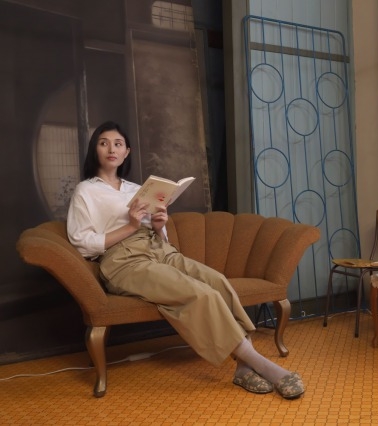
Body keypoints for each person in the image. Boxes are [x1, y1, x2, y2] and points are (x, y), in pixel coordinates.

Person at [67, 121, 305, 399]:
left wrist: (159, 224)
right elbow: (82, 242)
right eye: (103, 143)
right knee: (200, 294)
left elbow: (157, 233)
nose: (111, 149)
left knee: (217, 282)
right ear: (95, 149)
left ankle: (242, 368)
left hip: (159, 249)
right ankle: (265, 366)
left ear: (126, 152)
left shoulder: (137, 189)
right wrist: (130, 226)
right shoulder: (85, 191)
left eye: (118, 144)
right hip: (124, 261)